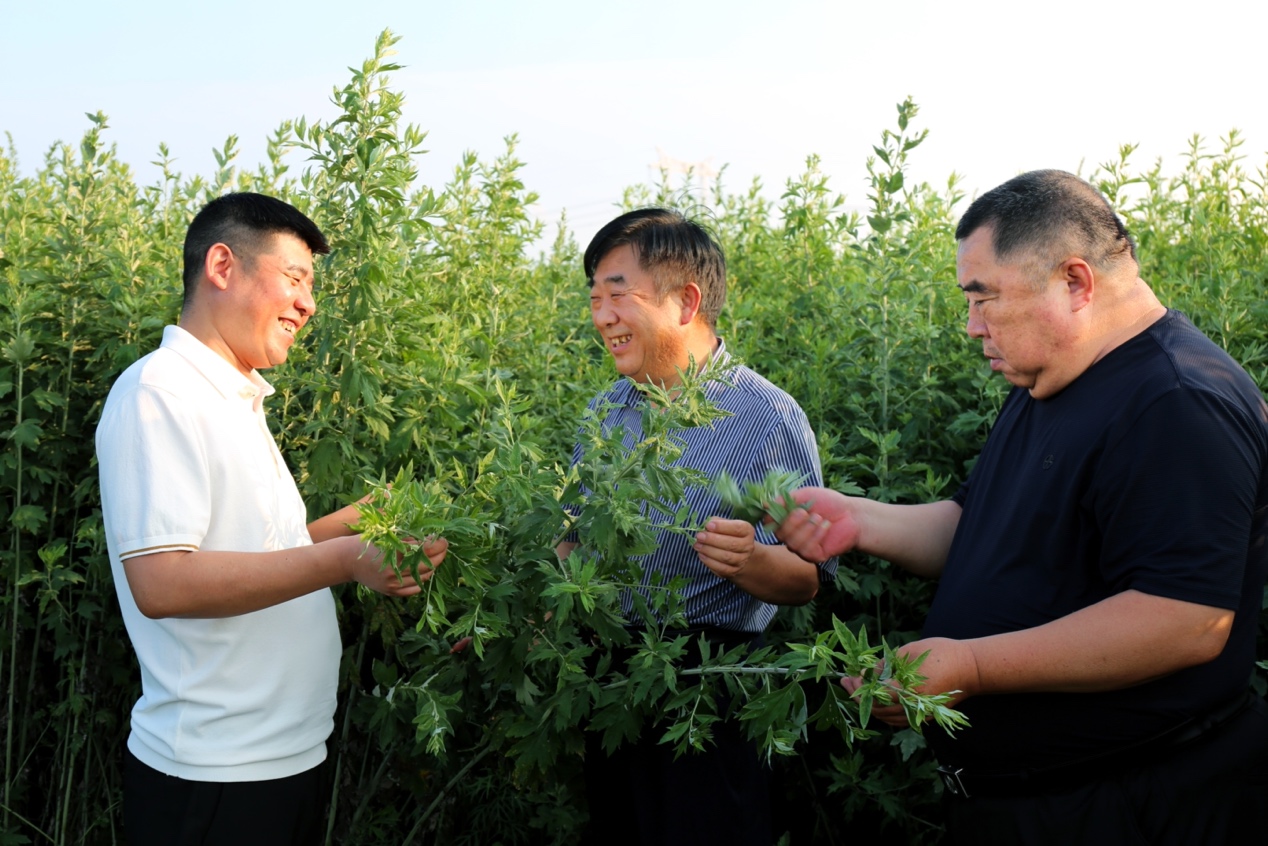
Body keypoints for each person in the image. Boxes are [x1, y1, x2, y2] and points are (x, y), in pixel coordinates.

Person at [773, 170, 1268, 845]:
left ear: (1075, 282)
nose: (972, 327)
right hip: (1032, 806)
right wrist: (860, 519)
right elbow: (980, 527)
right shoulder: (1053, 377)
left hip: (1128, 805)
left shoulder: (1176, 400)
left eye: (985, 299)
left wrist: (971, 667)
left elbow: (1185, 619)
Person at [95, 192, 448, 845]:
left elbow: (249, 557)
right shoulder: (160, 393)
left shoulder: (232, 398)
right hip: (213, 776)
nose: (309, 304)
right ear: (222, 266)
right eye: (295, 278)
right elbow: (163, 583)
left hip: (280, 760)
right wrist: (343, 561)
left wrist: (345, 526)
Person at [557, 208, 836, 846]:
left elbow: (808, 579)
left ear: (687, 301)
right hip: (613, 677)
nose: (602, 317)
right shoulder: (605, 411)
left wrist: (751, 562)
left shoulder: (768, 417)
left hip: (714, 685)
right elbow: (572, 535)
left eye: (618, 294)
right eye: (595, 299)